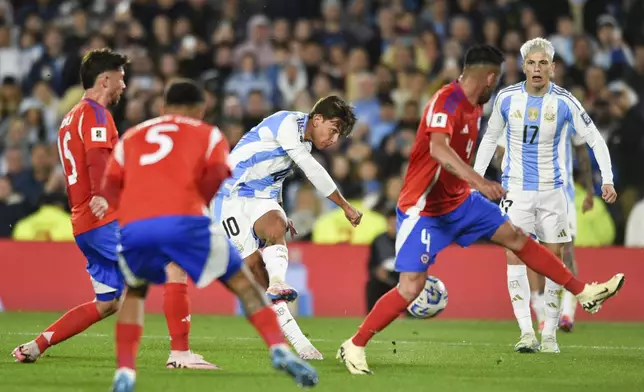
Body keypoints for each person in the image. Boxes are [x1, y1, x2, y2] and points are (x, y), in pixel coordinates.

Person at [336, 44, 625, 375]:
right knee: (411, 287)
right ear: (489, 77)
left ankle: (583, 291)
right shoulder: (447, 101)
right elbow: (439, 150)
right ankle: (355, 345)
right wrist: (481, 181)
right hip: (424, 210)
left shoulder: (475, 107)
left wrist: (470, 186)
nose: (497, 86)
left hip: (459, 201)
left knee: (516, 237)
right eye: (497, 79)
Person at [92, 79, 318, 392]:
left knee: (135, 293)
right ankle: (278, 347)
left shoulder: (133, 135)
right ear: (201, 109)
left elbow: (111, 187)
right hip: (186, 220)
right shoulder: (207, 133)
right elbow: (216, 180)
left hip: (137, 226)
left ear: (162, 107)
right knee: (243, 283)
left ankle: (126, 371)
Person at [12, 49, 217, 370]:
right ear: (105, 79)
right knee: (175, 264)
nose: (124, 86)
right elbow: (97, 159)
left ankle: (35, 346)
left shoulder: (70, 117)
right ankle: (180, 354)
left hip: (83, 223)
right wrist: (107, 195)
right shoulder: (95, 113)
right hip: (104, 216)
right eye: (121, 79)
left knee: (108, 302)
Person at [474, 38, 618, 353]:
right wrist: (475, 180)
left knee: (555, 262)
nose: (537, 69)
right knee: (514, 258)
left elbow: (594, 139)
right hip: (516, 191)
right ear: (523, 66)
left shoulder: (565, 102)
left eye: (543, 63)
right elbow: (489, 139)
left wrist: (606, 179)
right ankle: (527, 333)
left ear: (552, 67)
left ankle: (550, 335)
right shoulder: (506, 99)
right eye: (531, 63)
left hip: (554, 193)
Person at [212, 95, 362, 359]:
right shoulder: (286, 123)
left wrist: (279, 208)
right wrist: (345, 206)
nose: (334, 139)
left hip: (260, 195)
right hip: (228, 196)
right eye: (334, 130)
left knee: (276, 227)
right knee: (254, 268)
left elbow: (274, 173)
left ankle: (279, 285)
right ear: (317, 119)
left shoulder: (303, 140)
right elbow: (311, 170)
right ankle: (296, 338)